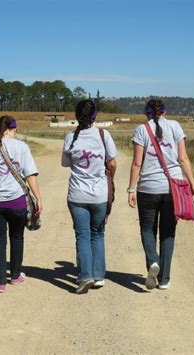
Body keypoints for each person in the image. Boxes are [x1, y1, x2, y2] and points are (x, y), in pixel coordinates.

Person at [127, 99, 194, 290]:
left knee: (148, 229)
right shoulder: (175, 126)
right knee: (168, 232)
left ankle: (153, 262)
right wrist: (192, 183)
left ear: (147, 113)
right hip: (173, 189)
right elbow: (183, 158)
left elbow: (136, 163)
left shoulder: (141, 130)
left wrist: (131, 189)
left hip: (148, 188)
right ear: (164, 112)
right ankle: (164, 279)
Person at [0, 116, 42, 293]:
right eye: (15, 130)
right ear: (12, 129)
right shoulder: (22, 147)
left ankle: (0, 282)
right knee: (17, 237)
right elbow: (30, 175)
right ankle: (14, 275)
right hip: (16, 201)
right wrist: (38, 198)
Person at [62, 99, 117, 294]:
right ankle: (99, 276)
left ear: (77, 116)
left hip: (77, 194)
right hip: (99, 195)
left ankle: (85, 276)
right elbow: (112, 162)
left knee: (82, 235)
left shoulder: (71, 138)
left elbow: (65, 163)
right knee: (98, 234)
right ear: (95, 116)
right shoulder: (103, 135)